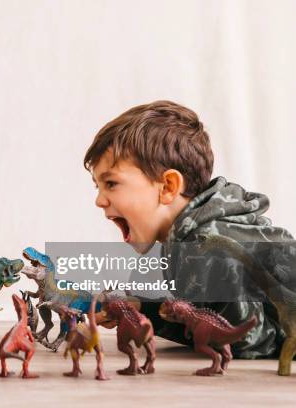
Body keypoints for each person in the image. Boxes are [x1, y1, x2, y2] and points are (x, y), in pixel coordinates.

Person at [84, 100, 295, 358]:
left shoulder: (206, 244)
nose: (99, 200)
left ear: (168, 187)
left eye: (112, 183)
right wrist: (141, 309)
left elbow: (247, 342)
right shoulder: (187, 237)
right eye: (98, 186)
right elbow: (212, 318)